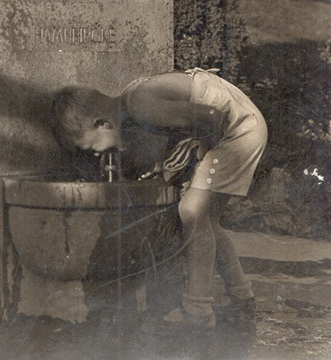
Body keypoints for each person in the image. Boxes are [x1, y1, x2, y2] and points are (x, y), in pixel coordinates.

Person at [53, 68, 268, 333]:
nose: (96, 155)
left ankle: (198, 311)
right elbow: (186, 123)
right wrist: (175, 163)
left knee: (191, 211)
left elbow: (212, 117)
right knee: (206, 220)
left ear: (102, 124)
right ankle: (242, 298)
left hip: (237, 129)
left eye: (90, 148)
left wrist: (198, 161)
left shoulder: (140, 105)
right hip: (241, 124)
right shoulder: (131, 104)